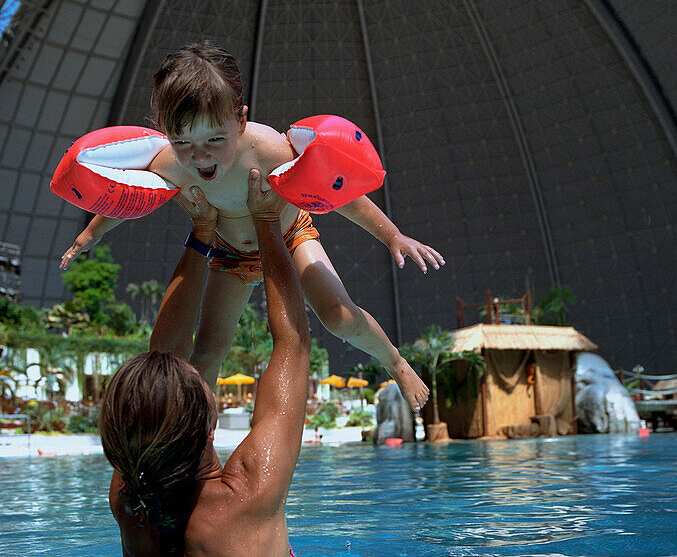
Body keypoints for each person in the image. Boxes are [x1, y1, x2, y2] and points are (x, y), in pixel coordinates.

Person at [61, 41, 443, 412]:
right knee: (207, 351)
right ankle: (200, 438)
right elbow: (126, 194)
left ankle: (395, 362)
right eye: (182, 141)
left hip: (290, 237)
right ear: (165, 131)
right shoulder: (170, 164)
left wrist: (392, 235)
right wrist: (90, 234)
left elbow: (336, 189)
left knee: (337, 315)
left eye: (214, 139)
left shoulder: (269, 150)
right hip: (231, 255)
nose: (199, 156)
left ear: (240, 120)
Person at [98, 169, 310, 557]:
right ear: (209, 427)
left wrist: (203, 233)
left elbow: (160, 364)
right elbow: (293, 343)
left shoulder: (129, 500)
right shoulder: (249, 494)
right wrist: (269, 225)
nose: (198, 371)